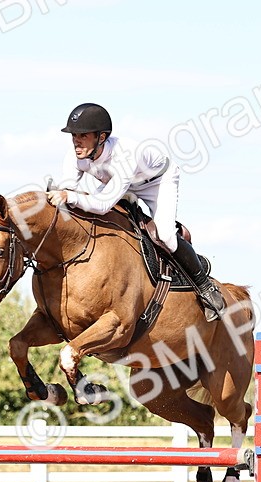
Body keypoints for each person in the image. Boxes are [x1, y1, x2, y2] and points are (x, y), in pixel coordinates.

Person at [48, 102, 226, 321]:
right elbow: (69, 189)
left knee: (166, 235)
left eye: (83, 135)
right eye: (74, 135)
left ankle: (206, 287)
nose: (76, 140)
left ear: (101, 138)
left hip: (157, 181)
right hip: (120, 182)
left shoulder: (125, 155)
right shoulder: (75, 155)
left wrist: (72, 196)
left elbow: (102, 204)